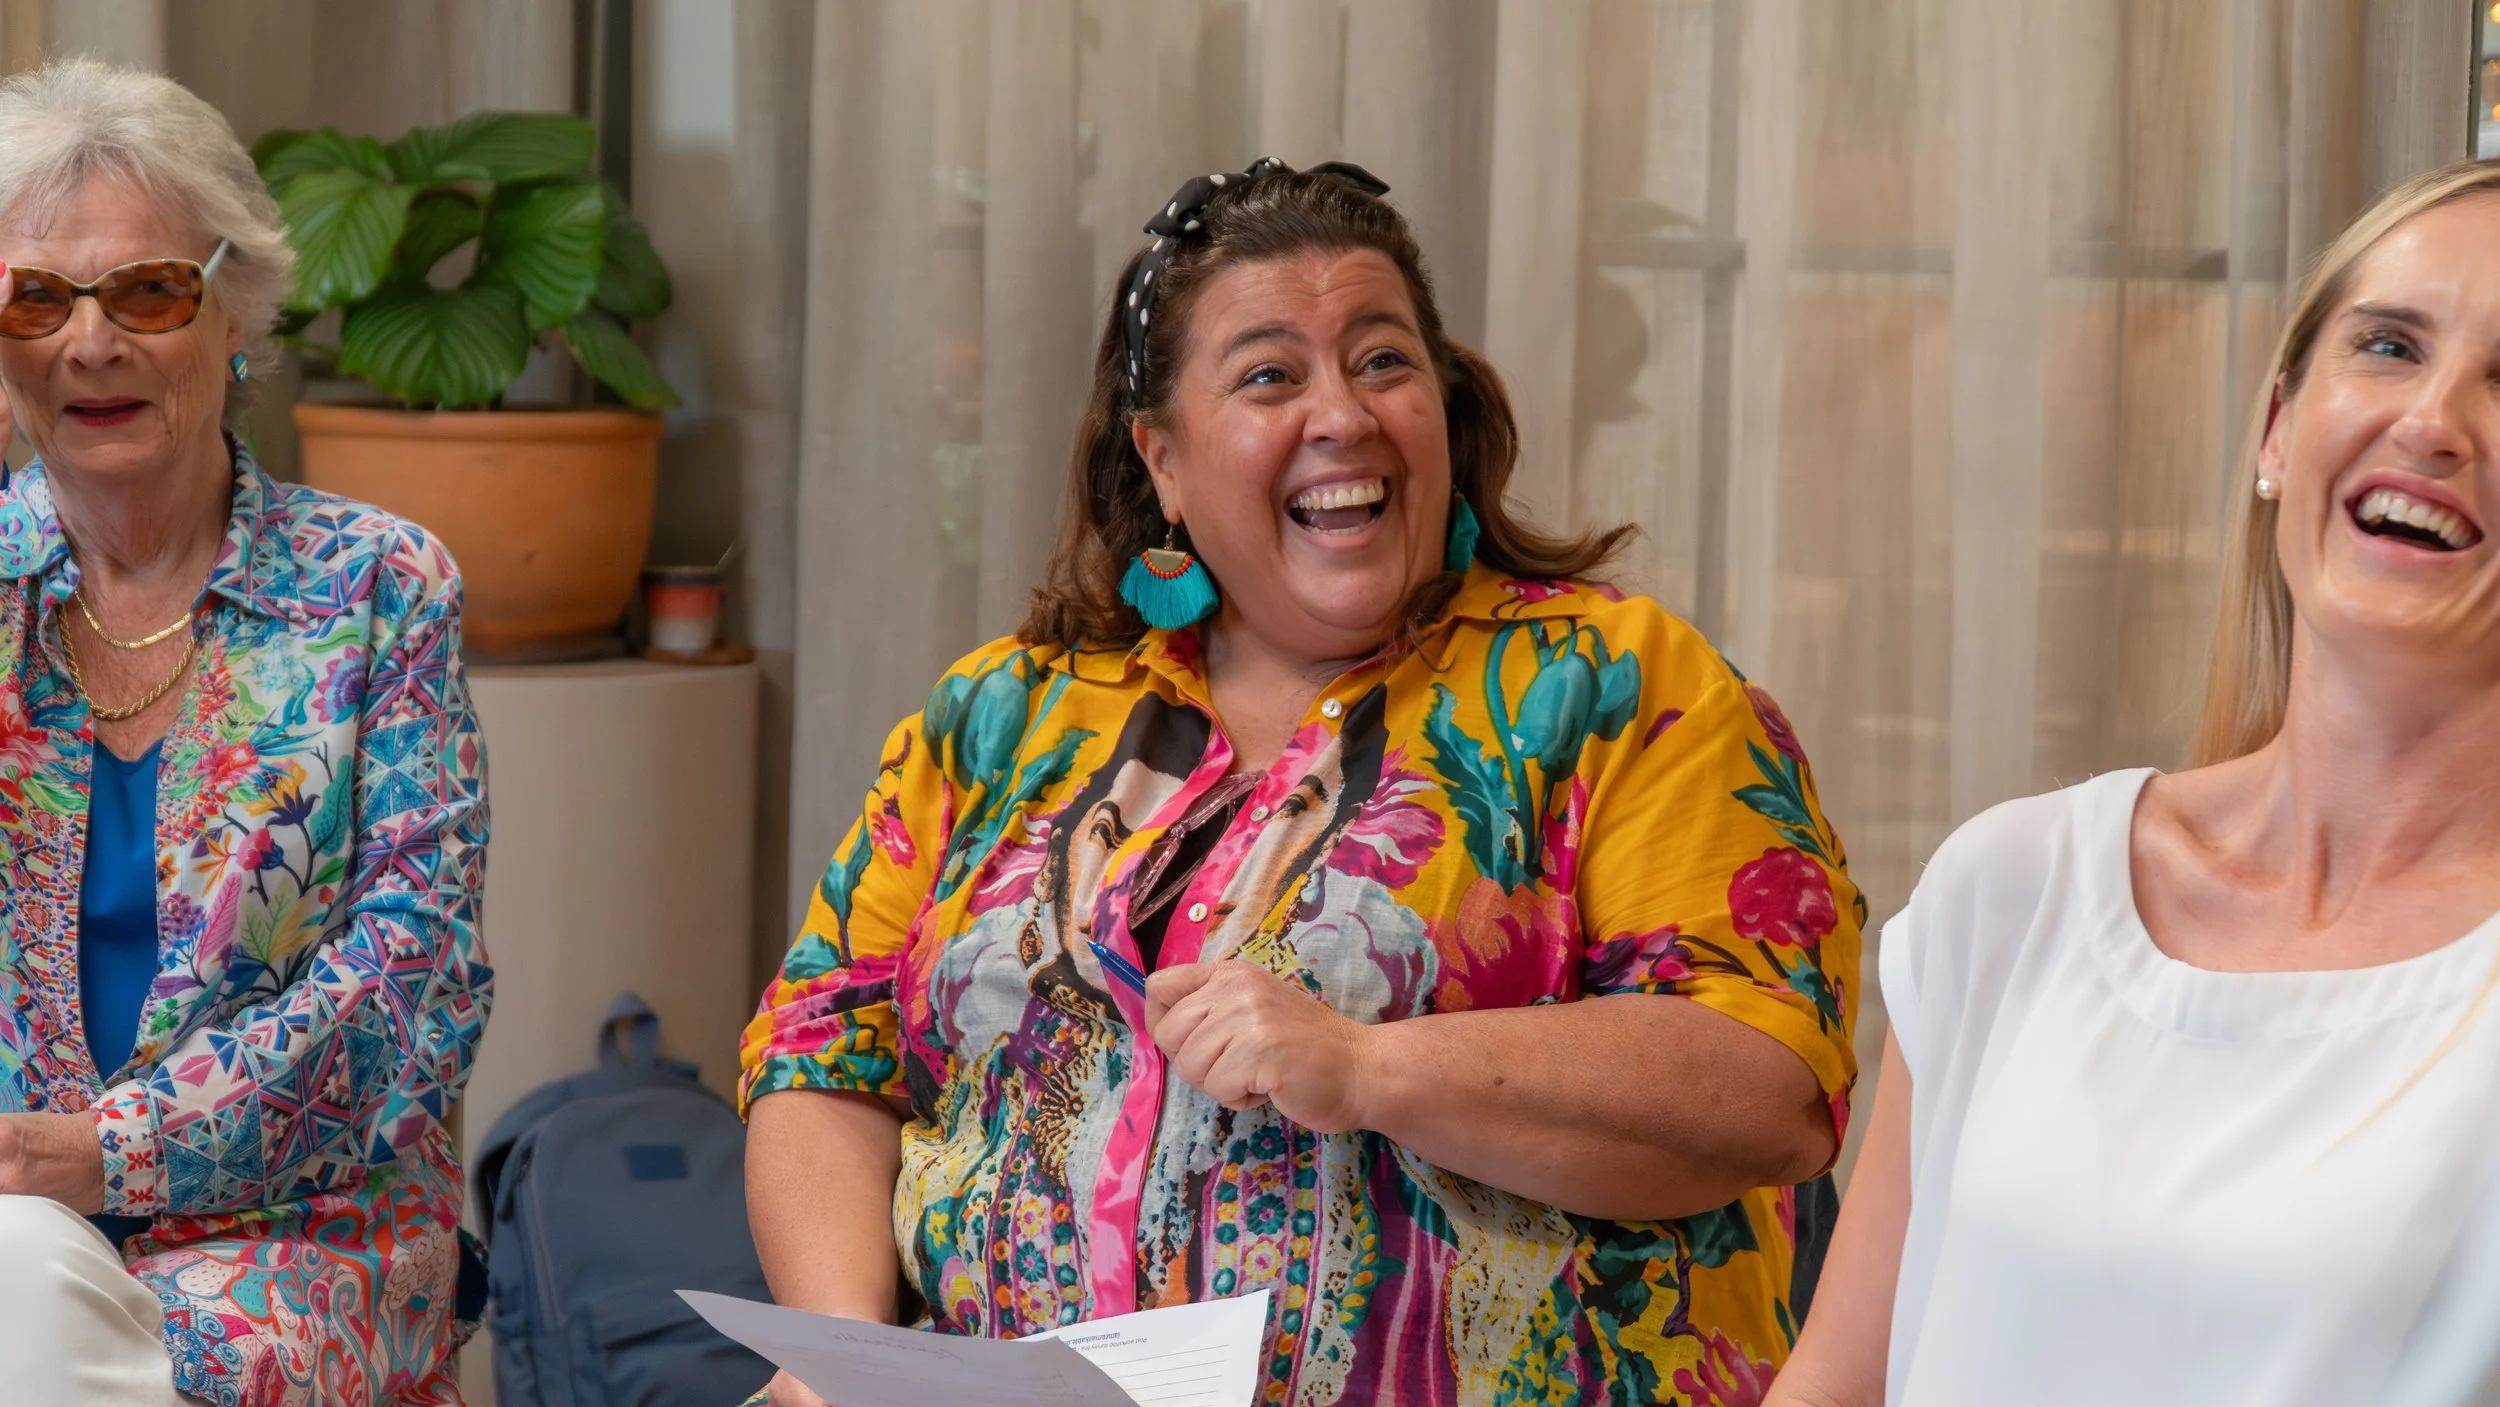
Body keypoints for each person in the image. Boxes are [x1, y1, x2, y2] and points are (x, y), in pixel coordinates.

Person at [742, 157, 1863, 1404]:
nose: (1342, 414)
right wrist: (845, 1355)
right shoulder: (1000, 714)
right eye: (1270, 375)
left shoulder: (1610, 687)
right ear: (1161, 460)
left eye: (1382, 361)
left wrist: (1375, 1070)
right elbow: (822, 1056)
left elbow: (1769, 1090)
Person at [1766, 157, 2500, 1407]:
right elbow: (1838, 1381)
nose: (2432, 420)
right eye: (2386, 345)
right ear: (2277, 427)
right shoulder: (2011, 889)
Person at [0, 60, 490, 1406]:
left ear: (234, 312)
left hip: (295, 1233)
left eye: (148, 289)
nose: (89, 343)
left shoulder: (377, 588)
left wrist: (110, 1153)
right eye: (36, 299)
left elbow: (416, 983)